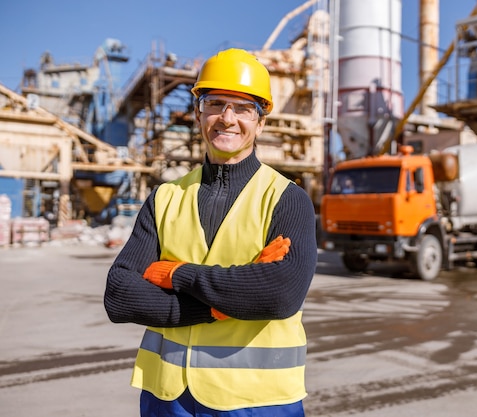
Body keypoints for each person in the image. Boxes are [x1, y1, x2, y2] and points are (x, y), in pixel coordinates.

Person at [104, 48, 318, 417]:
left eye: (243, 108)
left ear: (261, 121)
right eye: (215, 103)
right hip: (168, 398)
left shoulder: (287, 199)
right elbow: (120, 295)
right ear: (198, 112)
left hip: (258, 401)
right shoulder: (165, 198)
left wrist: (177, 273)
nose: (227, 118)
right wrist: (217, 308)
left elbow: (280, 294)